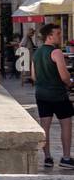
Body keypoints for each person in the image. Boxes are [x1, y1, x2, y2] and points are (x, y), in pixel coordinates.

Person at [34, 23, 74, 168]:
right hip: (57, 94)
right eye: (57, 33)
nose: (60, 35)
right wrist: (70, 83)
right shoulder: (56, 52)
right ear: (49, 36)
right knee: (66, 124)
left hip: (41, 94)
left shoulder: (37, 53)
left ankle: (48, 158)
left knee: (45, 126)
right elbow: (64, 76)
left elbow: (34, 76)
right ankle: (66, 158)